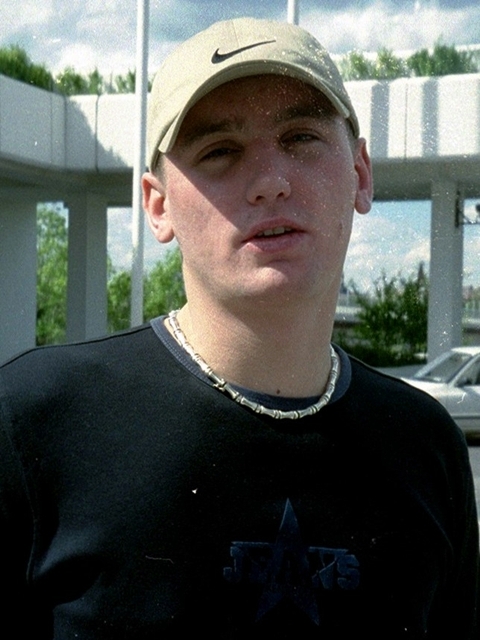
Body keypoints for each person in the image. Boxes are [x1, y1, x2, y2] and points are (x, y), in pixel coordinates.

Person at [0, 17, 478, 639]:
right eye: (219, 151)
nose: (271, 183)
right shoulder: (33, 423)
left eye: (301, 137)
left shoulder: (426, 449)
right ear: (158, 205)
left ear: (361, 174)